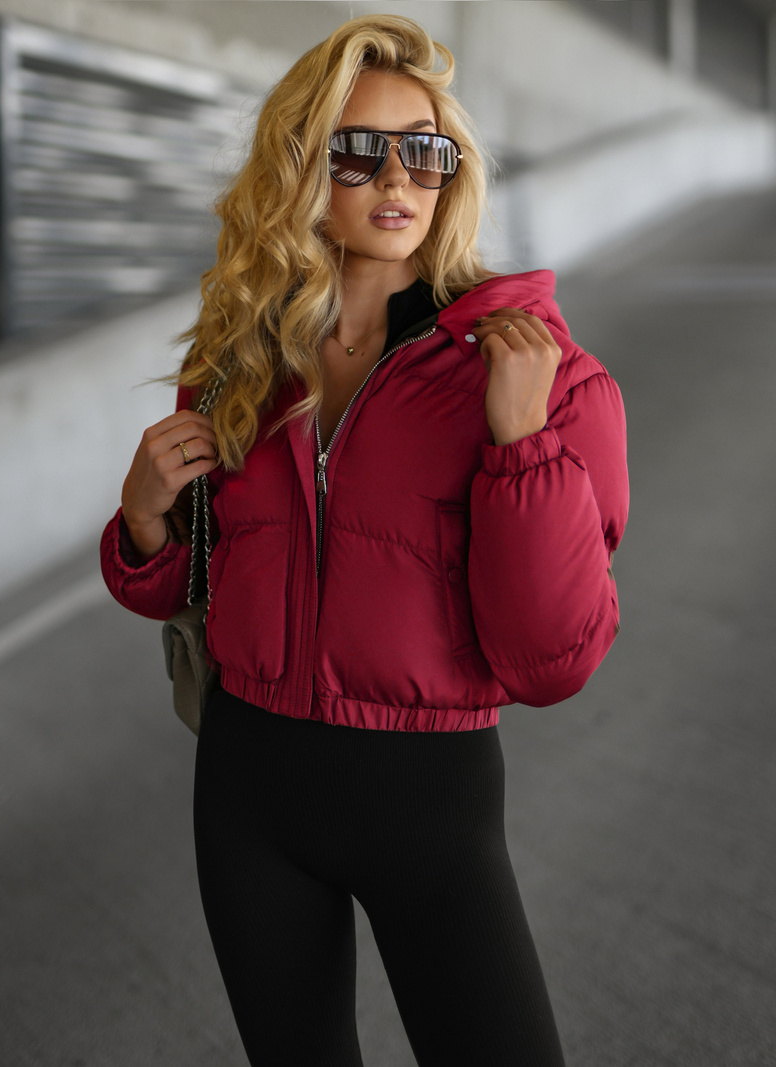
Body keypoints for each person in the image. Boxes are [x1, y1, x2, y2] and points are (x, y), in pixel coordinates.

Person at [101, 14, 628, 1067]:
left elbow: (551, 659)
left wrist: (520, 447)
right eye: (357, 149)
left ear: (450, 171)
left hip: (428, 802)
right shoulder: (238, 360)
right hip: (248, 788)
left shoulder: (539, 374)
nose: (396, 177)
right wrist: (145, 516)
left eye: (423, 151)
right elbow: (192, 578)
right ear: (302, 167)